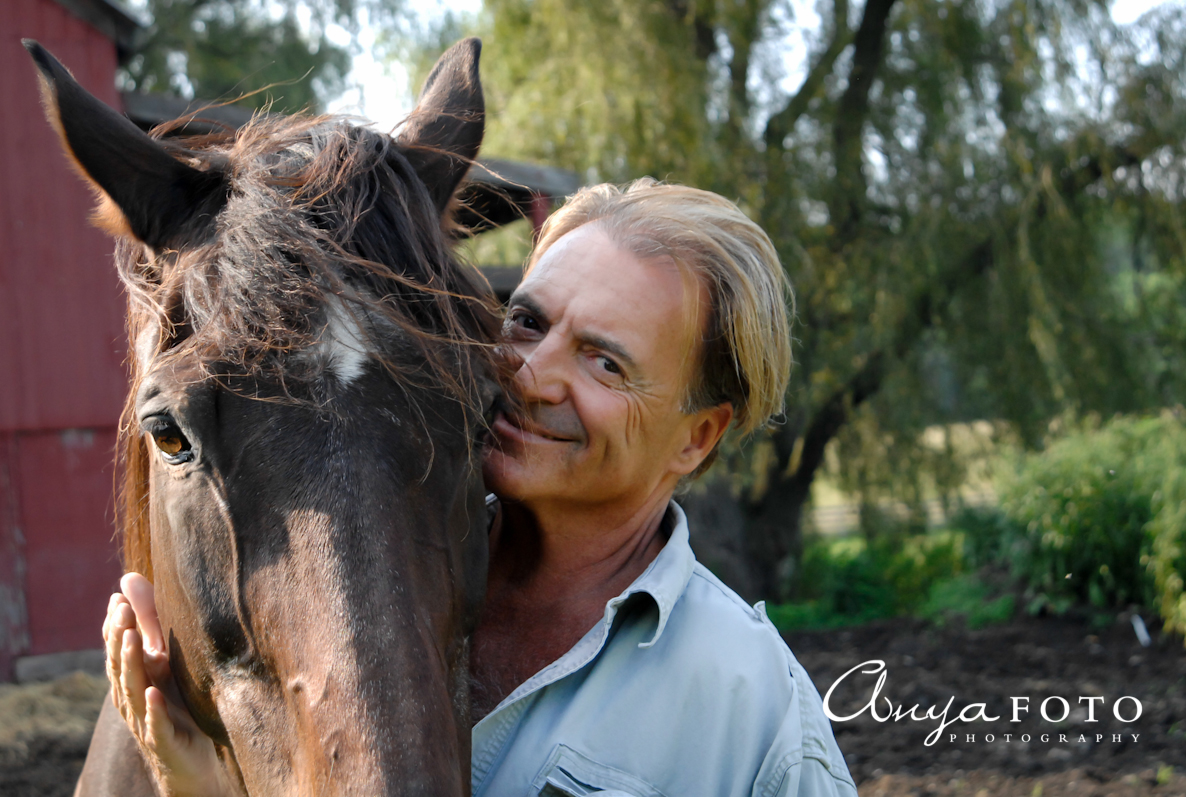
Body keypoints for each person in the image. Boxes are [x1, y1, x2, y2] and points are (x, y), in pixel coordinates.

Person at [105, 178, 859, 796]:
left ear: (698, 436)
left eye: (604, 362)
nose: (529, 375)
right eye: (527, 321)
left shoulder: (758, 724)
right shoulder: (360, 578)